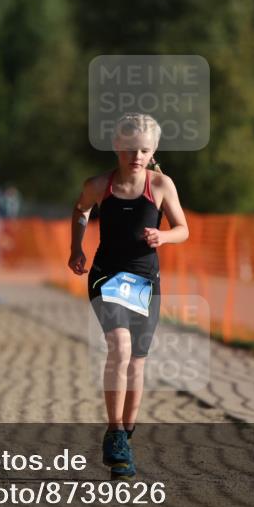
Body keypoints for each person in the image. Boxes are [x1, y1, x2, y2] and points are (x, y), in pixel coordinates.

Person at [69, 113, 189, 479]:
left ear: (153, 151)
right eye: (130, 148)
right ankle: (115, 430)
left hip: (145, 280)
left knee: (137, 361)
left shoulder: (162, 185)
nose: (136, 155)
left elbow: (183, 228)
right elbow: (81, 209)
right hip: (107, 275)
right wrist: (77, 247)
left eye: (144, 149)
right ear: (117, 147)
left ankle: (125, 435)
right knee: (119, 347)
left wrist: (163, 237)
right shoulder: (99, 184)